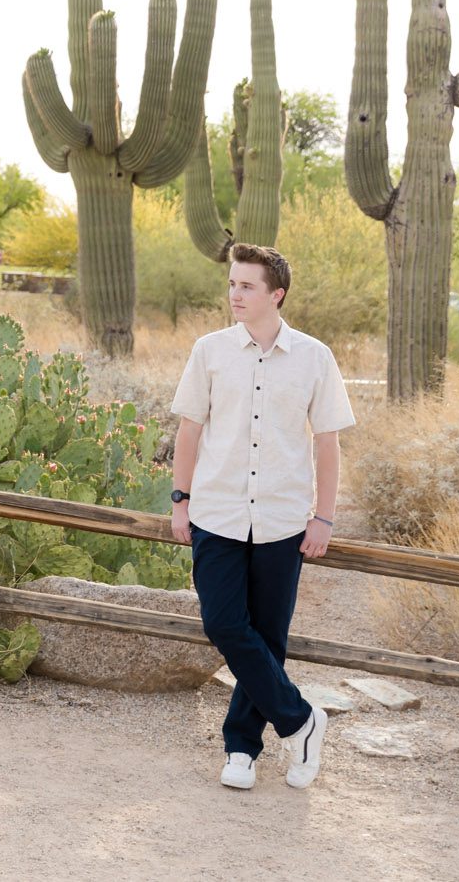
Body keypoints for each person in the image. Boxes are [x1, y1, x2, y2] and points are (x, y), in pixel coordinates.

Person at [166, 242, 354, 790]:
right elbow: (189, 430)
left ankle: (242, 749)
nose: (234, 295)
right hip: (217, 512)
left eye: (246, 286)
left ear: (277, 294)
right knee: (224, 623)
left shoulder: (315, 357)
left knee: (268, 636)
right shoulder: (209, 351)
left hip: (283, 518)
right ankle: (301, 720)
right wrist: (181, 499)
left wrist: (325, 517)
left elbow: (327, 443)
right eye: (231, 284)